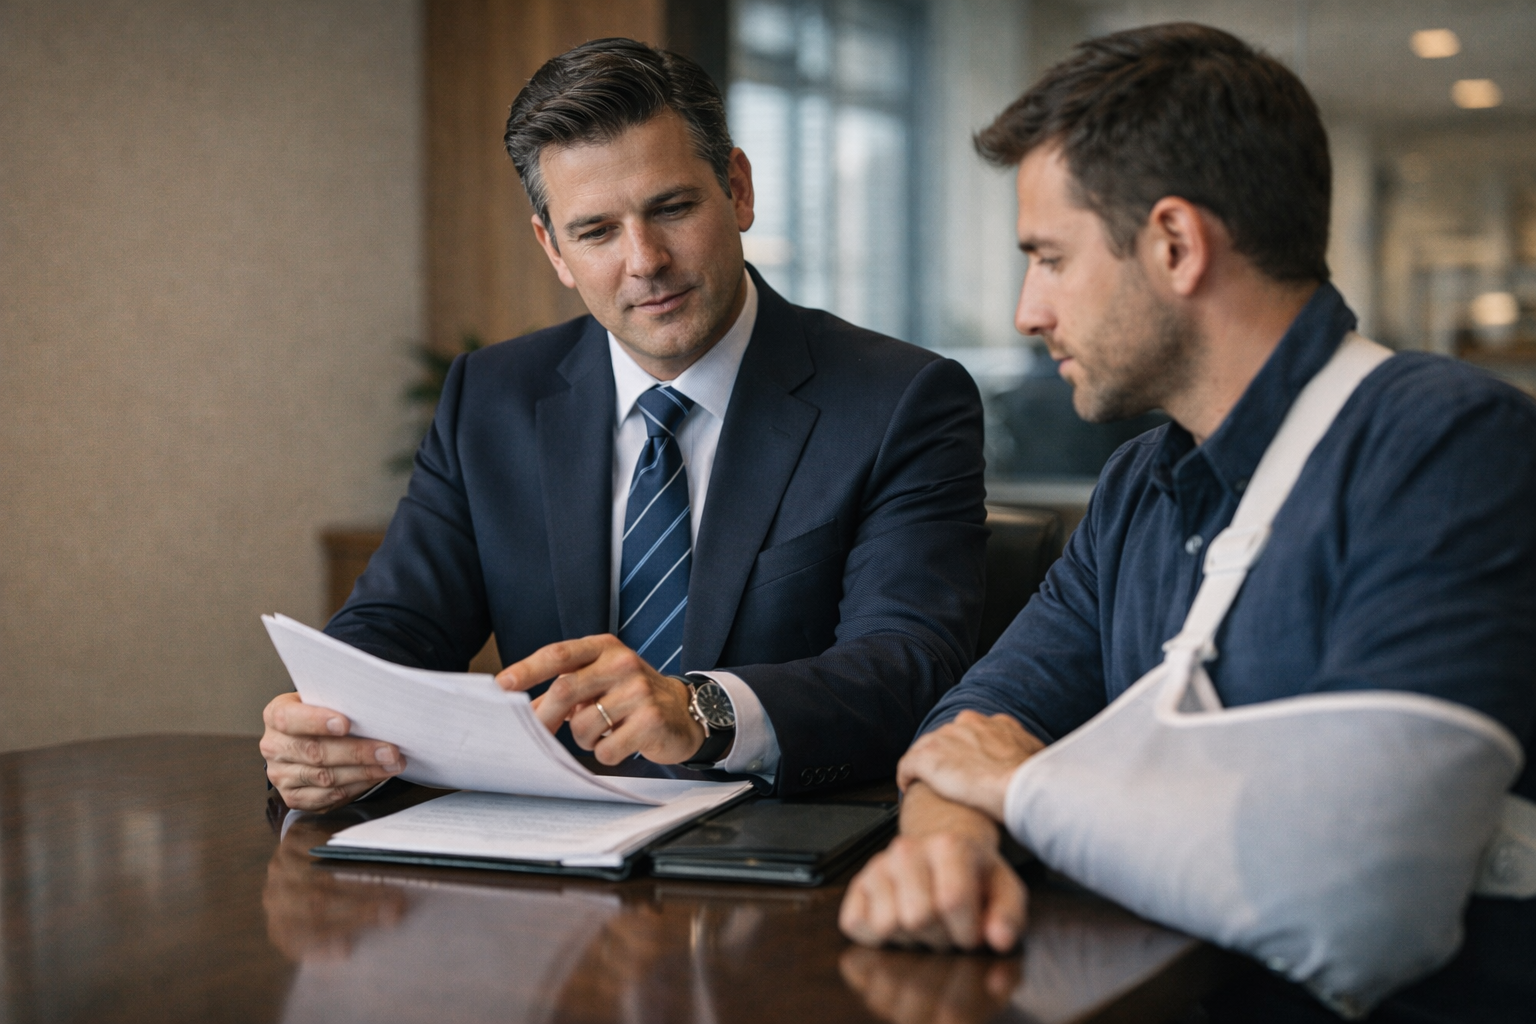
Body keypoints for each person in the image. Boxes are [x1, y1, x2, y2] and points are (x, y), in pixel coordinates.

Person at [839, 22, 1536, 1020]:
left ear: (1175, 243)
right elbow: (973, 727)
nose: (1027, 311)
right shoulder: (1138, 488)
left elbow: (1360, 902)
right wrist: (948, 845)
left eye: (1048, 256)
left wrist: (1026, 793)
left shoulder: (1450, 449)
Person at [259, 38, 987, 812]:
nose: (644, 261)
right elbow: (397, 624)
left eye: (672, 208)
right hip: (547, 858)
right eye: (596, 232)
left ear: (737, 189)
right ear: (554, 249)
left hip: (770, 855)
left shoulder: (901, 398)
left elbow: (910, 663)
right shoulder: (492, 397)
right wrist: (324, 727)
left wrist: (700, 710)